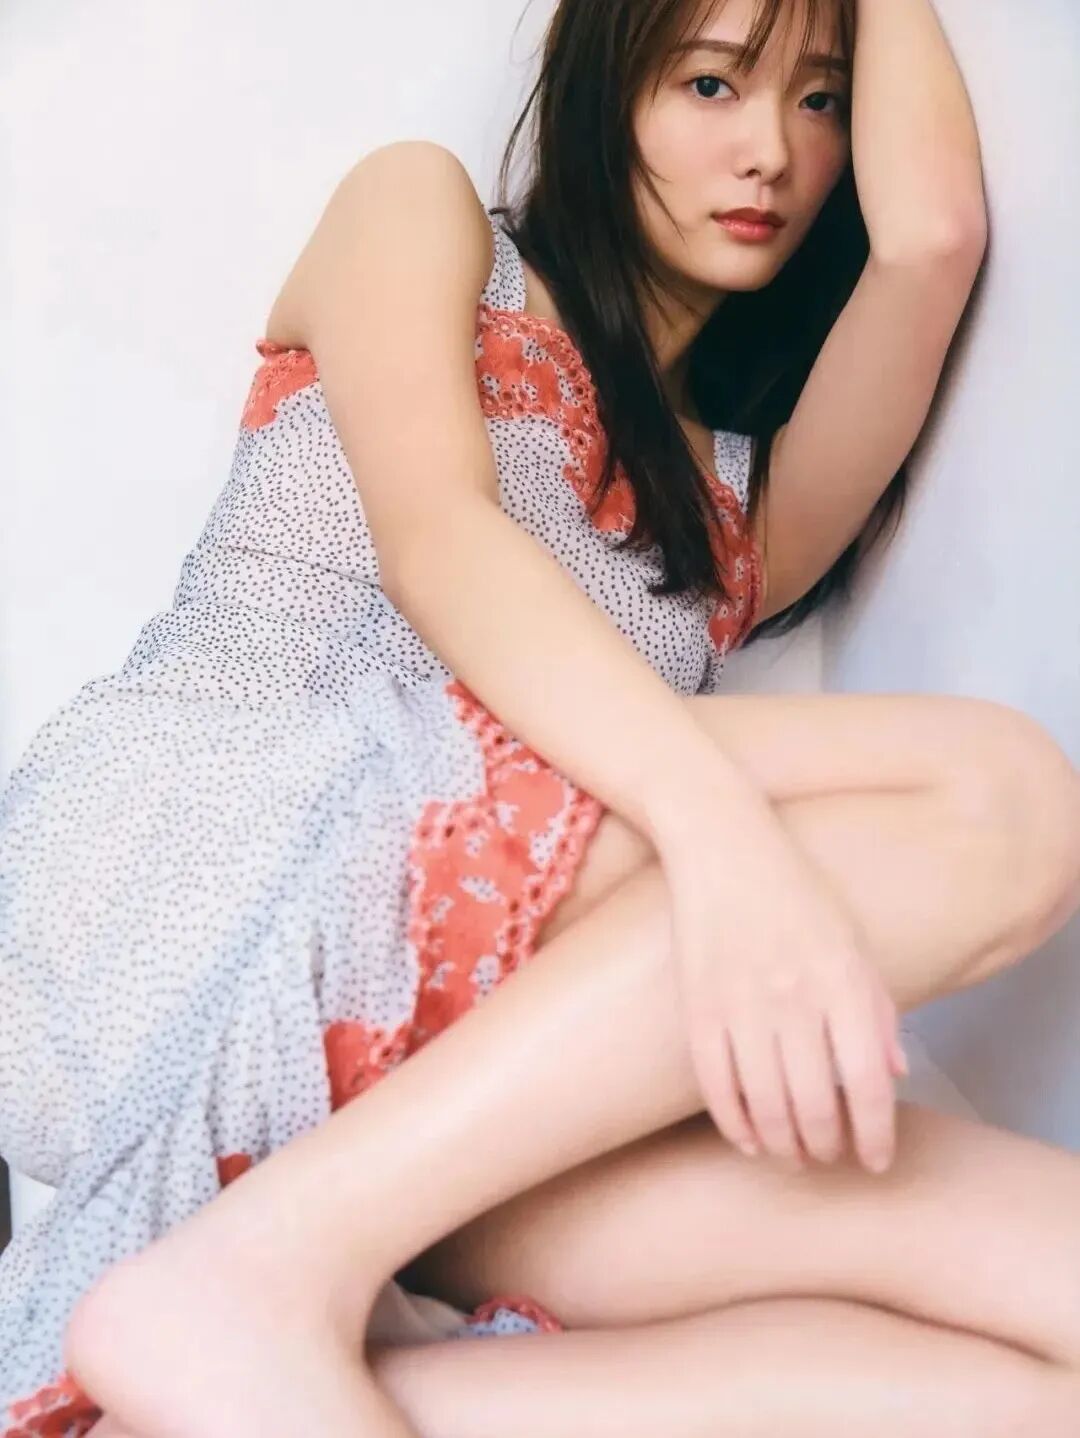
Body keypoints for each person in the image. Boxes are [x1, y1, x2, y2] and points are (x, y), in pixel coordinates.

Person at [3, 0, 1080, 1431]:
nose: (771, 150)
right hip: (194, 876)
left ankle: (244, 1348)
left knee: (1038, 1342)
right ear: (601, 86)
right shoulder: (423, 212)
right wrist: (726, 843)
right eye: (712, 83)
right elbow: (440, 542)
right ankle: (257, 1276)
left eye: (819, 101)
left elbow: (933, 239)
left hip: (437, 1102)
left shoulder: (744, 508)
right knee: (999, 800)